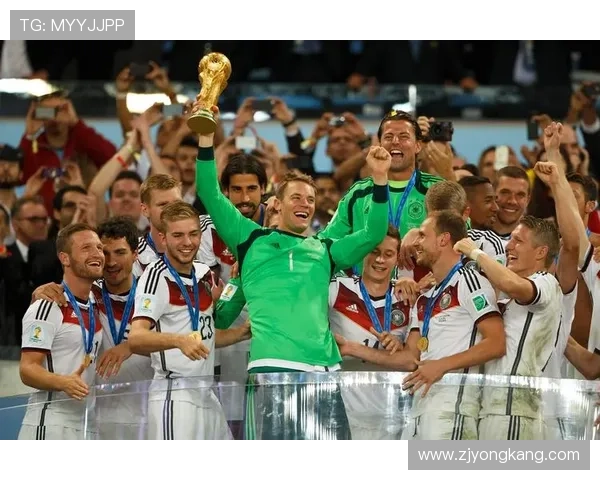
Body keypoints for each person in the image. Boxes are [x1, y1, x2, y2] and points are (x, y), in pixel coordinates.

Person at [194, 104, 391, 440]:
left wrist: (380, 178)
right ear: (276, 203)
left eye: (310, 200)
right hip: (273, 369)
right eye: (297, 197)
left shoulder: (325, 248)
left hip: (324, 370)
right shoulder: (249, 239)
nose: (305, 204)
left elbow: (373, 233)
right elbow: (209, 192)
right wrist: (205, 138)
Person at [454, 123, 581, 441]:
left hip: (533, 408)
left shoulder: (550, 283)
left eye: (518, 242)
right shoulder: (499, 286)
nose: (509, 246)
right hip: (492, 408)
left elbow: (572, 243)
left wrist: (556, 171)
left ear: (541, 252)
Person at [128, 201, 249, 440]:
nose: (187, 242)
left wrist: (243, 332)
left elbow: (205, 336)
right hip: (174, 393)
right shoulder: (155, 276)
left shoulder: (203, 273)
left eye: (193, 234)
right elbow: (136, 338)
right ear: (163, 238)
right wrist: (179, 341)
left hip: (206, 392)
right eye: (178, 235)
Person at [31, 217, 155, 439]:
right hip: (96, 419)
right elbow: (53, 307)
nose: (111, 262)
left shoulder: (153, 295)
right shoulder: (87, 295)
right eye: (104, 252)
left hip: (149, 415)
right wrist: (38, 294)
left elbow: (178, 342)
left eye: (120, 252)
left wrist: (131, 345)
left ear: (135, 254)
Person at [398, 210, 505, 440]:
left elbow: (496, 343)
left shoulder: (469, 280)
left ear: (443, 239)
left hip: (453, 409)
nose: (416, 243)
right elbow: (410, 357)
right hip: (419, 410)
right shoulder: (425, 297)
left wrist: (441, 366)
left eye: (423, 235)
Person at [318, 110, 444, 276]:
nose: (395, 142)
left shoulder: (437, 190)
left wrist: (421, 236)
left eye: (404, 137)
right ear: (379, 144)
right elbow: (326, 244)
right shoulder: (358, 193)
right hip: (364, 290)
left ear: (418, 145)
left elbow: (459, 238)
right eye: (388, 137)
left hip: (423, 289)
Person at [18, 223, 104, 440]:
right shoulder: (48, 305)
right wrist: (64, 382)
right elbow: (27, 369)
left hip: (87, 422)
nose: (96, 254)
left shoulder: (97, 303)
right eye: (86, 248)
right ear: (65, 258)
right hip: (50, 421)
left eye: (99, 248)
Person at [134, 174, 183, 276]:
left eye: (177, 203)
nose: (172, 209)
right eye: (163, 204)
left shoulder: (200, 243)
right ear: (145, 210)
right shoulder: (133, 256)